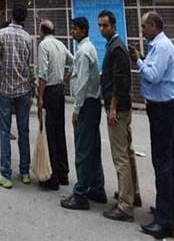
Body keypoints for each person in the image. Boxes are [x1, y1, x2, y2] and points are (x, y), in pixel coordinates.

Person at [130, 11, 174, 239]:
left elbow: (153, 75)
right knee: (166, 160)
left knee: (162, 162)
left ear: (153, 25)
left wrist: (138, 61)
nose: (142, 31)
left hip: (163, 108)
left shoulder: (161, 46)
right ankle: (173, 210)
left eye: (144, 26)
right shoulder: (157, 46)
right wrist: (142, 58)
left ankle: (164, 221)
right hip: (161, 107)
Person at [99, 10, 140, 222]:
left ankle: (125, 205)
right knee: (127, 152)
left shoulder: (116, 48)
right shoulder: (114, 46)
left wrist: (113, 107)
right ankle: (133, 193)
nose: (102, 29)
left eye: (105, 25)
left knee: (120, 156)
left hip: (118, 108)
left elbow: (120, 80)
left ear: (114, 26)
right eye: (100, 25)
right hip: (122, 106)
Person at [61, 17, 105, 210]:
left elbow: (83, 82)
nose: (72, 32)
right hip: (92, 103)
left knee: (83, 149)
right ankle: (97, 187)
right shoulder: (87, 49)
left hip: (87, 104)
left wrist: (77, 109)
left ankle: (80, 193)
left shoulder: (84, 51)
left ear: (83, 30)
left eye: (75, 29)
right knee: (92, 147)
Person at [0, 6, 34, 189]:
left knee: (4, 131)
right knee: (24, 131)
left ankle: (5, 174)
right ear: (24, 19)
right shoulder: (28, 38)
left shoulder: (2, 34)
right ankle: (25, 172)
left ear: (11, 17)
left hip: (5, 89)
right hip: (23, 89)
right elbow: (29, 64)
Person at [37, 19, 73, 190]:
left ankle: (53, 176)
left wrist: (40, 97)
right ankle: (63, 172)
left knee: (49, 132)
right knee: (59, 131)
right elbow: (73, 62)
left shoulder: (43, 45)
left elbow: (43, 73)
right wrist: (65, 79)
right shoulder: (60, 44)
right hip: (59, 90)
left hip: (50, 90)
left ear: (43, 31)